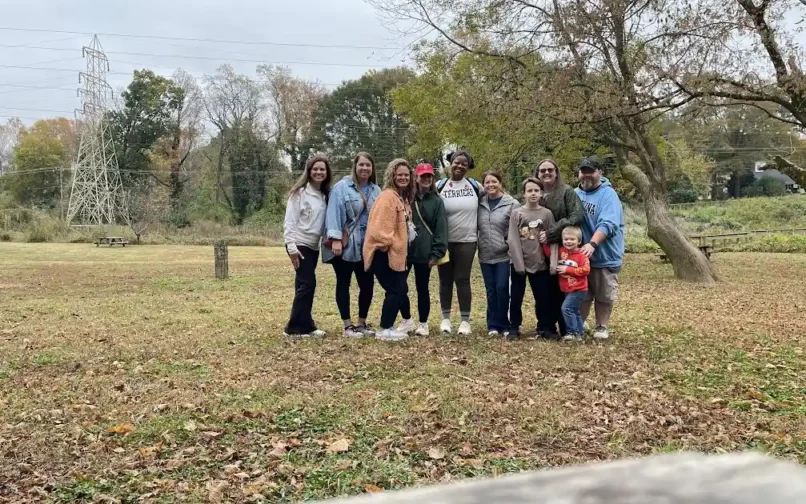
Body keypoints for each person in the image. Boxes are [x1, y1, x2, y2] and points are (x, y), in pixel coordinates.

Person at [322, 152, 382, 338]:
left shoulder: (376, 191)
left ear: (372, 169)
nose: (364, 168)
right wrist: (336, 239)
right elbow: (333, 213)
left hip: (367, 244)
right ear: (355, 166)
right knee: (343, 282)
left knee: (367, 284)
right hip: (346, 242)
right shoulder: (342, 187)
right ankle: (347, 326)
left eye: (368, 165)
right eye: (361, 165)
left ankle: (362, 323)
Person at [363, 159, 417, 341]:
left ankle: (390, 325)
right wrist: (390, 243)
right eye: (399, 174)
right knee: (395, 289)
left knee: (398, 289)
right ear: (392, 175)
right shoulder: (387, 197)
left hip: (397, 254)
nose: (403, 177)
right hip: (383, 252)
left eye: (406, 175)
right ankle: (385, 329)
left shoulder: (400, 197)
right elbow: (378, 228)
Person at [574, 156, 625, 340]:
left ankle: (601, 326)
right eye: (583, 171)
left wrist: (593, 244)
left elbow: (608, 223)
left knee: (604, 294)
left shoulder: (608, 194)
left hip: (605, 255)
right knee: (583, 293)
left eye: (591, 171)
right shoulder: (575, 194)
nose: (587, 175)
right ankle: (580, 324)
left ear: (600, 173)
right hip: (582, 256)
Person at [282, 154, 332, 338]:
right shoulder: (300, 193)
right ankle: (293, 328)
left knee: (303, 286)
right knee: (308, 284)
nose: (319, 172)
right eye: (315, 169)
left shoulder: (325, 195)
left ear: (327, 173)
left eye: (322, 169)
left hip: (313, 246)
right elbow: (289, 221)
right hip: (299, 243)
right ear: (309, 172)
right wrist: (292, 248)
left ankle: (306, 324)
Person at [534, 158, 584, 339]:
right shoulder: (534, 192)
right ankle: (545, 327)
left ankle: (567, 328)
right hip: (539, 250)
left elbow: (577, 216)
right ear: (537, 173)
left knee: (563, 289)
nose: (546, 173)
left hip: (564, 249)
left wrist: (553, 232)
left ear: (556, 172)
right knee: (543, 291)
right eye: (542, 171)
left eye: (550, 170)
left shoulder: (567, 192)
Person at [436, 151, 484, 336]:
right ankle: (445, 320)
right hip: (445, 242)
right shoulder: (439, 186)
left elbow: (495, 196)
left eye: (464, 164)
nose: (460, 166)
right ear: (450, 164)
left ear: (468, 167)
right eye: (457, 162)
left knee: (462, 279)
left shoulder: (475, 185)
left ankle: (465, 321)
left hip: (467, 240)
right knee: (445, 281)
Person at [398, 162, 448, 336]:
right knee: (399, 286)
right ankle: (407, 319)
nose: (426, 179)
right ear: (416, 178)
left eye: (429, 176)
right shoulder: (405, 198)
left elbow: (441, 228)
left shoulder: (436, 201)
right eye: (423, 176)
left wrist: (436, 253)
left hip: (424, 252)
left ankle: (423, 323)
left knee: (422, 288)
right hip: (404, 251)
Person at [507, 178, 556, 340]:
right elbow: (513, 239)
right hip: (519, 264)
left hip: (540, 263)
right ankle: (514, 326)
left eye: (536, 190)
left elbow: (552, 236)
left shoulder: (546, 214)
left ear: (541, 193)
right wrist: (518, 264)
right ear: (524, 194)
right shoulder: (517, 213)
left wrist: (553, 262)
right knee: (516, 297)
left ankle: (544, 327)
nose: (533, 193)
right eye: (530, 191)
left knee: (543, 298)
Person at [477, 170, 520, 336]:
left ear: (500, 183)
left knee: (502, 288)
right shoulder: (480, 203)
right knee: (491, 290)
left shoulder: (512, 204)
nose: (490, 185)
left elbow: (517, 229)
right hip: (485, 254)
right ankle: (493, 324)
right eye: (487, 182)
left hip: (504, 254)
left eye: (494, 181)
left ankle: (504, 323)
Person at [541, 226, 590, 342]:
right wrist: (544, 244)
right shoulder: (561, 251)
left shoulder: (582, 255)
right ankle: (580, 333)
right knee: (575, 310)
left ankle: (572, 332)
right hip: (567, 289)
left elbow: (586, 270)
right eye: (566, 239)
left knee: (566, 308)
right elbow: (550, 254)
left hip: (579, 289)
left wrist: (568, 270)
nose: (569, 241)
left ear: (579, 241)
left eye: (572, 239)